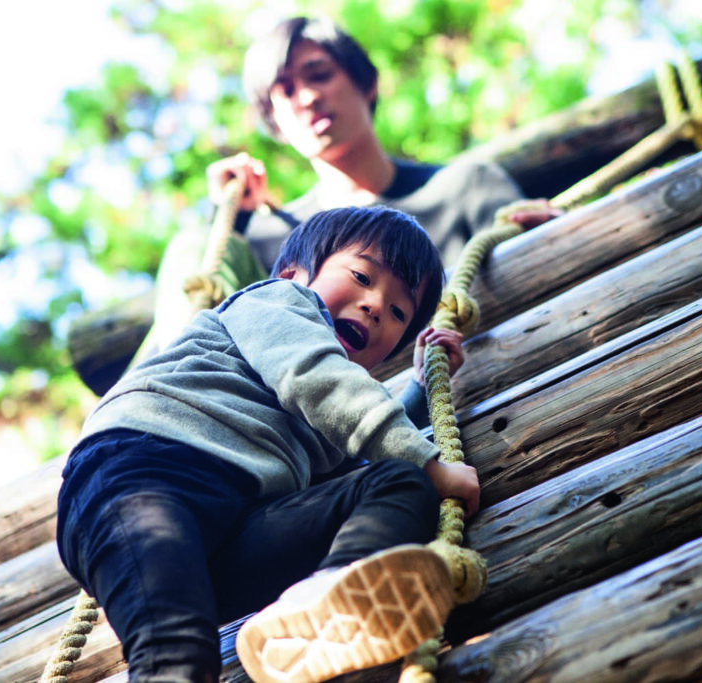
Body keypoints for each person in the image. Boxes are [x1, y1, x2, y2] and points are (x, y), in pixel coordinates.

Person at [56, 206, 480, 683]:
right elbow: (317, 378)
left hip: (233, 525)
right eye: (361, 276)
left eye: (399, 311)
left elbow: (351, 452)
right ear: (293, 271)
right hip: (144, 474)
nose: (376, 305)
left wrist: (420, 392)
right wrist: (431, 464)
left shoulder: (323, 420)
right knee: (176, 653)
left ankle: (325, 600)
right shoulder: (279, 302)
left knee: (396, 483)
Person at [133, 15, 559, 367]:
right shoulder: (267, 242)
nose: (308, 97)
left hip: (453, 394)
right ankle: (167, 391)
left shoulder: (465, 186)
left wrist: (547, 230)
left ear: (366, 84)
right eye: (285, 91)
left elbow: (533, 260)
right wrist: (231, 218)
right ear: (275, 124)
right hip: (286, 429)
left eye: (319, 75)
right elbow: (214, 300)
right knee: (193, 243)